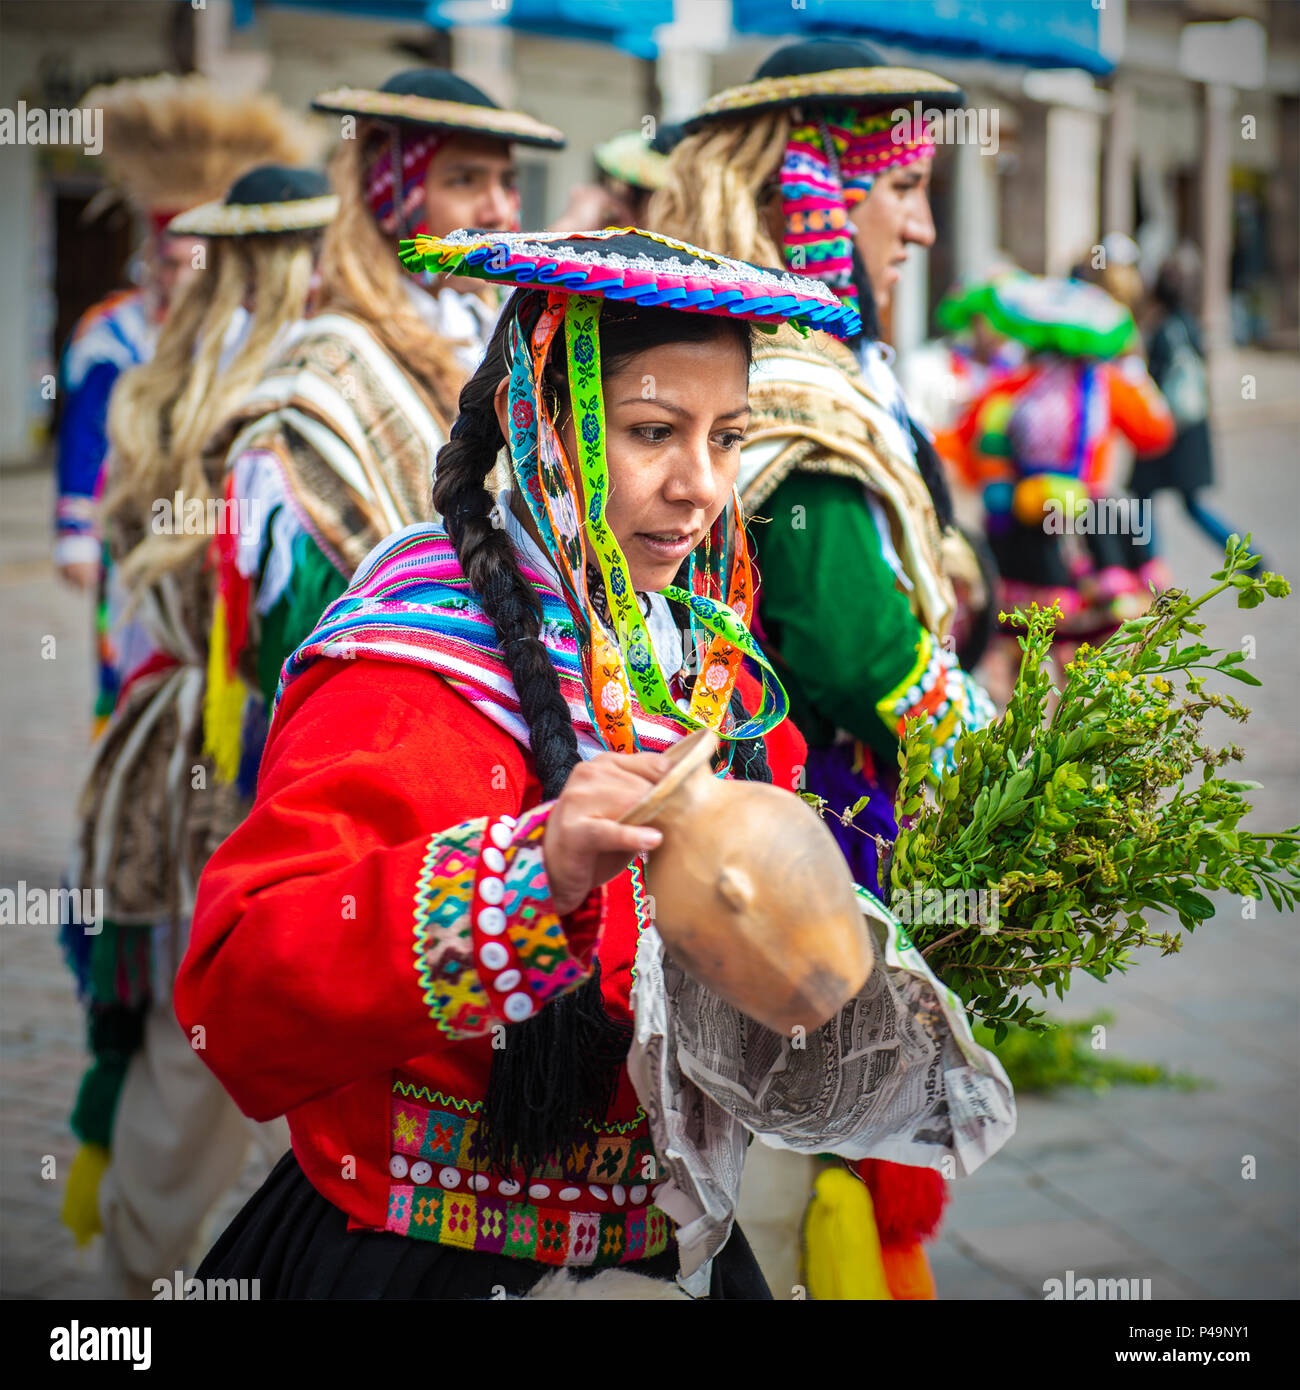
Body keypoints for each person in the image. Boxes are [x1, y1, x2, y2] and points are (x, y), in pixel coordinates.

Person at [174, 227, 1013, 1300]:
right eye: (655, 431)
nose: (700, 484)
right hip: (423, 1257)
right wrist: (529, 875)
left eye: (727, 439)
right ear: (548, 429)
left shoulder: (711, 674)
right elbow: (237, 990)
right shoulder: (406, 669)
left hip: (671, 1252)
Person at [59, 168, 339, 1298]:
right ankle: (125, 1305)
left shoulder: (181, 376)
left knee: (228, 1053)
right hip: (222, 755)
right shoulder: (265, 396)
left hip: (193, 736)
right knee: (203, 1049)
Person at [202, 69, 566, 790]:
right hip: (379, 734)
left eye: (505, 180)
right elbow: (299, 628)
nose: (499, 207)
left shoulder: (482, 332)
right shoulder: (324, 374)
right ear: (388, 192)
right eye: (465, 180)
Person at [51, 73, 313, 728]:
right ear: (150, 258)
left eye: (194, 263)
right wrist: (76, 530)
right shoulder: (110, 335)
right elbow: (83, 439)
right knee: (135, 665)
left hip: (212, 545)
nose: (178, 279)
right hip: (137, 528)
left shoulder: (246, 339)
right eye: (169, 262)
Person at [1133, 248, 1257, 569]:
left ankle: (1152, 573)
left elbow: (1155, 382)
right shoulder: (1190, 325)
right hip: (1192, 429)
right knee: (1189, 505)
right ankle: (1246, 558)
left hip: (1166, 430)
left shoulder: (1162, 330)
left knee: (1145, 499)